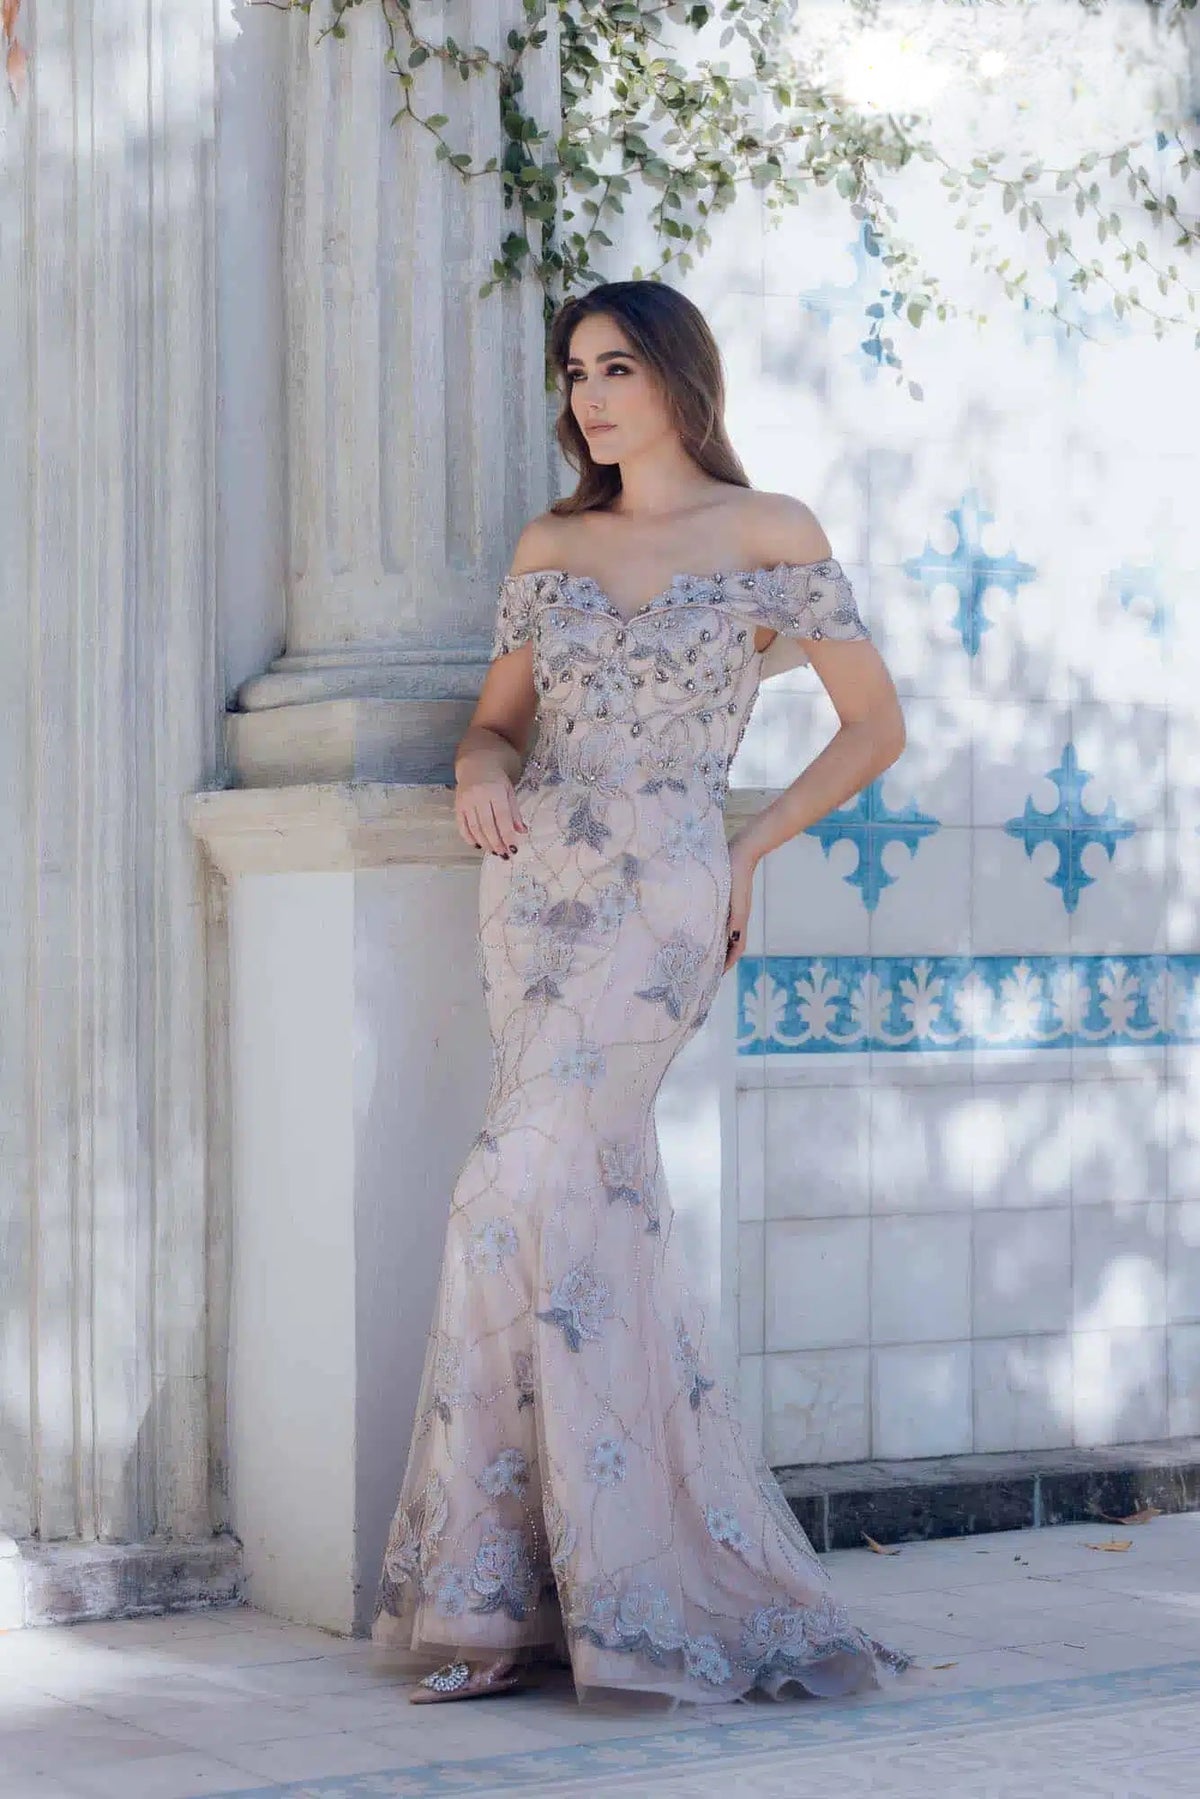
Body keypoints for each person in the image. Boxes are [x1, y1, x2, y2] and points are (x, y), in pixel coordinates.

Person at [371, 279, 914, 1711]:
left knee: (506, 1190)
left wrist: (750, 842)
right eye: (575, 372)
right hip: (535, 893)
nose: (592, 395)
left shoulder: (771, 532)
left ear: (679, 374)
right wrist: (477, 767)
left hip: (666, 892)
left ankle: (606, 1587)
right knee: (569, 1209)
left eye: (617, 366)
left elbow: (876, 726)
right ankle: (525, 1599)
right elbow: (498, 724)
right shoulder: (552, 543)